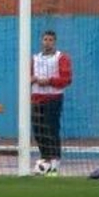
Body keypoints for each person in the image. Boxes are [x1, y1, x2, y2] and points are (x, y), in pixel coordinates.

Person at [31, 29, 73, 174]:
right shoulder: (34, 58)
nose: (47, 42)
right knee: (38, 130)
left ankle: (55, 160)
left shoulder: (61, 58)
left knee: (51, 129)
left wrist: (49, 81)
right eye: (45, 39)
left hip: (53, 98)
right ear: (41, 41)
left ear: (54, 42)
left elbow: (66, 79)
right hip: (36, 98)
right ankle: (45, 158)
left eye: (50, 40)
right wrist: (31, 79)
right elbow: (27, 76)